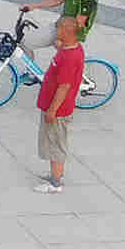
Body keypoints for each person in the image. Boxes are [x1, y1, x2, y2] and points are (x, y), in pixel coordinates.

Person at [33, 14, 86, 193]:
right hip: (55, 107)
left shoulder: (69, 58)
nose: (55, 31)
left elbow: (64, 86)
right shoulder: (70, 48)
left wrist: (52, 110)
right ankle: (56, 174)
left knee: (55, 144)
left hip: (58, 111)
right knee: (53, 142)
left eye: (58, 28)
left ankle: (55, 184)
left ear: (65, 31)